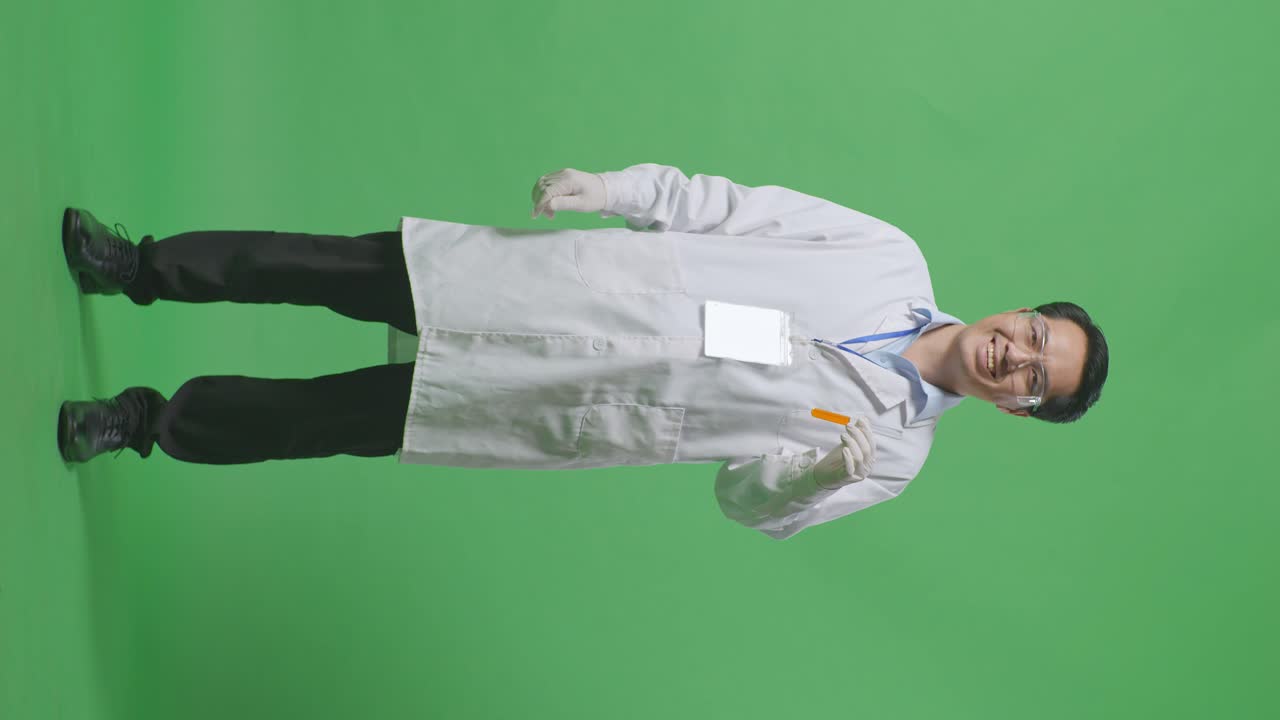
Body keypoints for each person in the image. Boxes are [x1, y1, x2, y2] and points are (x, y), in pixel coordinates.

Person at [58, 163, 1109, 540]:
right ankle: (139, 265)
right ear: (1018, 312)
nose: (1012, 357)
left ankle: (144, 425)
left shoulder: (891, 454)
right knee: (327, 267)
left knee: (328, 420)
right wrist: (619, 194)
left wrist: (814, 474)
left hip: (588, 398)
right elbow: (739, 211)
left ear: (1019, 410)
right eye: (1030, 336)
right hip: (583, 286)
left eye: (1032, 378)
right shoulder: (888, 257)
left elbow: (743, 505)